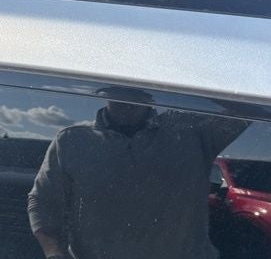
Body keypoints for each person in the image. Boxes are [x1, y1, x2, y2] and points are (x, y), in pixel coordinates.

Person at [27, 86, 249, 259]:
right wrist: (54, 253)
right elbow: (43, 201)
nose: (127, 99)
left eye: (136, 90)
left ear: (151, 91)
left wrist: (188, 79)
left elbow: (248, 108)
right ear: (106, 90)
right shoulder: (72, 141)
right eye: (120, 88)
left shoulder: (191, 131)